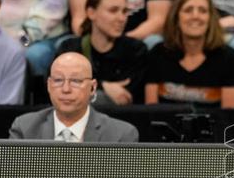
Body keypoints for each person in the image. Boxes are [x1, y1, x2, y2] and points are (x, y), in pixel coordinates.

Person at [144, 0, 234, 107]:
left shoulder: (229, 58)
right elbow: (151, 112)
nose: (195, 16)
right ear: (176, 17)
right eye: (188, 10)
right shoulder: (158, 54)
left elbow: (230, 118)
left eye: (202, 11)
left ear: (210, 19)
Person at [9, 52, 139, 142]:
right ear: (48, 85)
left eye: (76, 81)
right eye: (58, 80)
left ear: (92, 88)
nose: (66, 89)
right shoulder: (25, 129)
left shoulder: (120, 135)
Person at [57, 0, 148, 105]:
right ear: (91, 13)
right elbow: (58, 85)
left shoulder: (136, 50)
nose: (122, 18)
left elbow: (124, 97)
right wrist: (103, 86)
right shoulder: (70, 49)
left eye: (124, 11)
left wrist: (87, 86)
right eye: (113, 10)